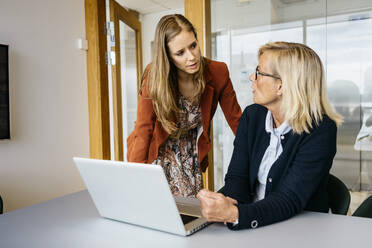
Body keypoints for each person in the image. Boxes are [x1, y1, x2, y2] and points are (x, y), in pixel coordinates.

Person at [197, 42, 343, 230]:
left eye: (259, 72)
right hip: (254, 224)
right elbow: (237, 176)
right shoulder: (252, 116)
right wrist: (227, 207)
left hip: (301, 231)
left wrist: (236, 215)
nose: (252, 77)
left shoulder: (321, 129)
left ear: (281, 86)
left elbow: (289, 199)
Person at [127, 14, 242, 197]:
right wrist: (134, 176)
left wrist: (257, 157)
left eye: (193, 46)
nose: (191, 57)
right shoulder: (154, 76)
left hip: (191, 154)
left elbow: (237, 122)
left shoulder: (218, 71)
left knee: (190, 215)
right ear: (168, 56)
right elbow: (143, 129)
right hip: (160, 150)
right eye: (180, 53)